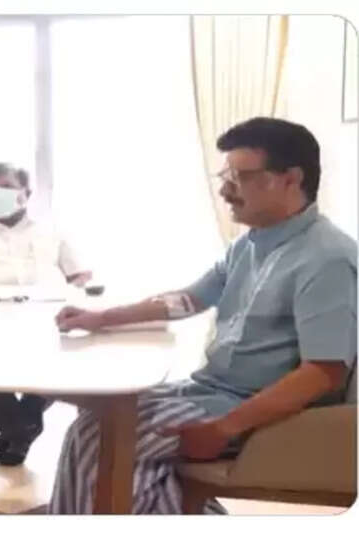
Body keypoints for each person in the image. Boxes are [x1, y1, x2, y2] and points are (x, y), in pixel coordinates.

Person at [51, 117, 356, 513]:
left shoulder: (327, 259)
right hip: (211, 391)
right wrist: (101, 318)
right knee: (101, 421)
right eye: (226, 176)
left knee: (100, 441)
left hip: (262, 414)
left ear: (290, 179)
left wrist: (224, 428)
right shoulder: (249, 245)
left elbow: (324, 373)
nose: (226, 190)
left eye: (241, 177)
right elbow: (188, 301)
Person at [0, 162, 93, 466]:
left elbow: (80, 278)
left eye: (7, 186)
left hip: (49, 323)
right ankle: (23, 427)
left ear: (26, 192)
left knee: (74, 354)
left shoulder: (54, 233)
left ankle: (21, 425)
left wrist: (72, 299)